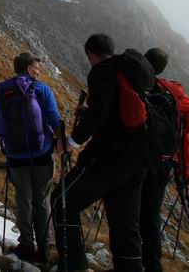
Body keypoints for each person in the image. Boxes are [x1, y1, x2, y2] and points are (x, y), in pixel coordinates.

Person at [53, 34, 147, 272]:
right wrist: (91, 110)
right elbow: (114, 110)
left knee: (63, 200)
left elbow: (100, 114)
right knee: (124, 219)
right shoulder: (126, 71)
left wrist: (72, 142)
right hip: (139, 158)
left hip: (109, 155)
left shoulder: (101, 71)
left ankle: (73, 265)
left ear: (90, 53)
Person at [0, 52, 61, 264]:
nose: (39, 73)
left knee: (24, 200)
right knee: (42, 200)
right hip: (42, 154)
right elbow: (54, 121)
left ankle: (27, 245)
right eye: (37, 69)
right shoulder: (42, 90)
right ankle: (44, 249)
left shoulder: (4, 90)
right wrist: (62, 143)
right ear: (30, 70)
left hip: (16, 156)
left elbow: (0, 127)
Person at [140, 48, 189, 272]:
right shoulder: (173, 95)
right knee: (150, 214)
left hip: (136, 159)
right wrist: (185, 174)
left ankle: (129, 261)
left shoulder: (141, 86)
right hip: (162, 164)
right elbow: (183, 136)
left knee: (129, 209)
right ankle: (152, 264)